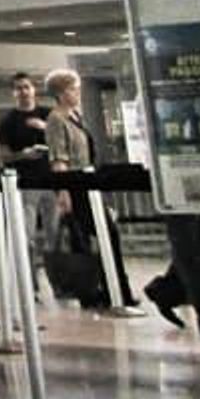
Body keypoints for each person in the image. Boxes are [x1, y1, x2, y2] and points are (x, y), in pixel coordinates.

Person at [43, 68, 136, 308]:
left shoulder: (75, 116)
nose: (77, 93)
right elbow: (58, 159)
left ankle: (109, 288)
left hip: (87, 184)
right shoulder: (56, 120)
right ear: (61, 93)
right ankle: (107, 290)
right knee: (98, 235)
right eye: (73, 89)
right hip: (75, 186)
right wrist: (63, 192)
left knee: (101, 235)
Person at [0, 72, 53, 293]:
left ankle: (61, 281)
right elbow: (4, 155)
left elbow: (62, 142)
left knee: (55, 233)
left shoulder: (48, 115)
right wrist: (23, 155)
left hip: (51, 181)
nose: (24, 92)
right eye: (19, 88)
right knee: (25, 236)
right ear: (13, 92)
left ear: (34, 89)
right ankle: (30, 286)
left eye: (27, 87)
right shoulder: (9, 121)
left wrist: (44, 128)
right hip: (25, 183)